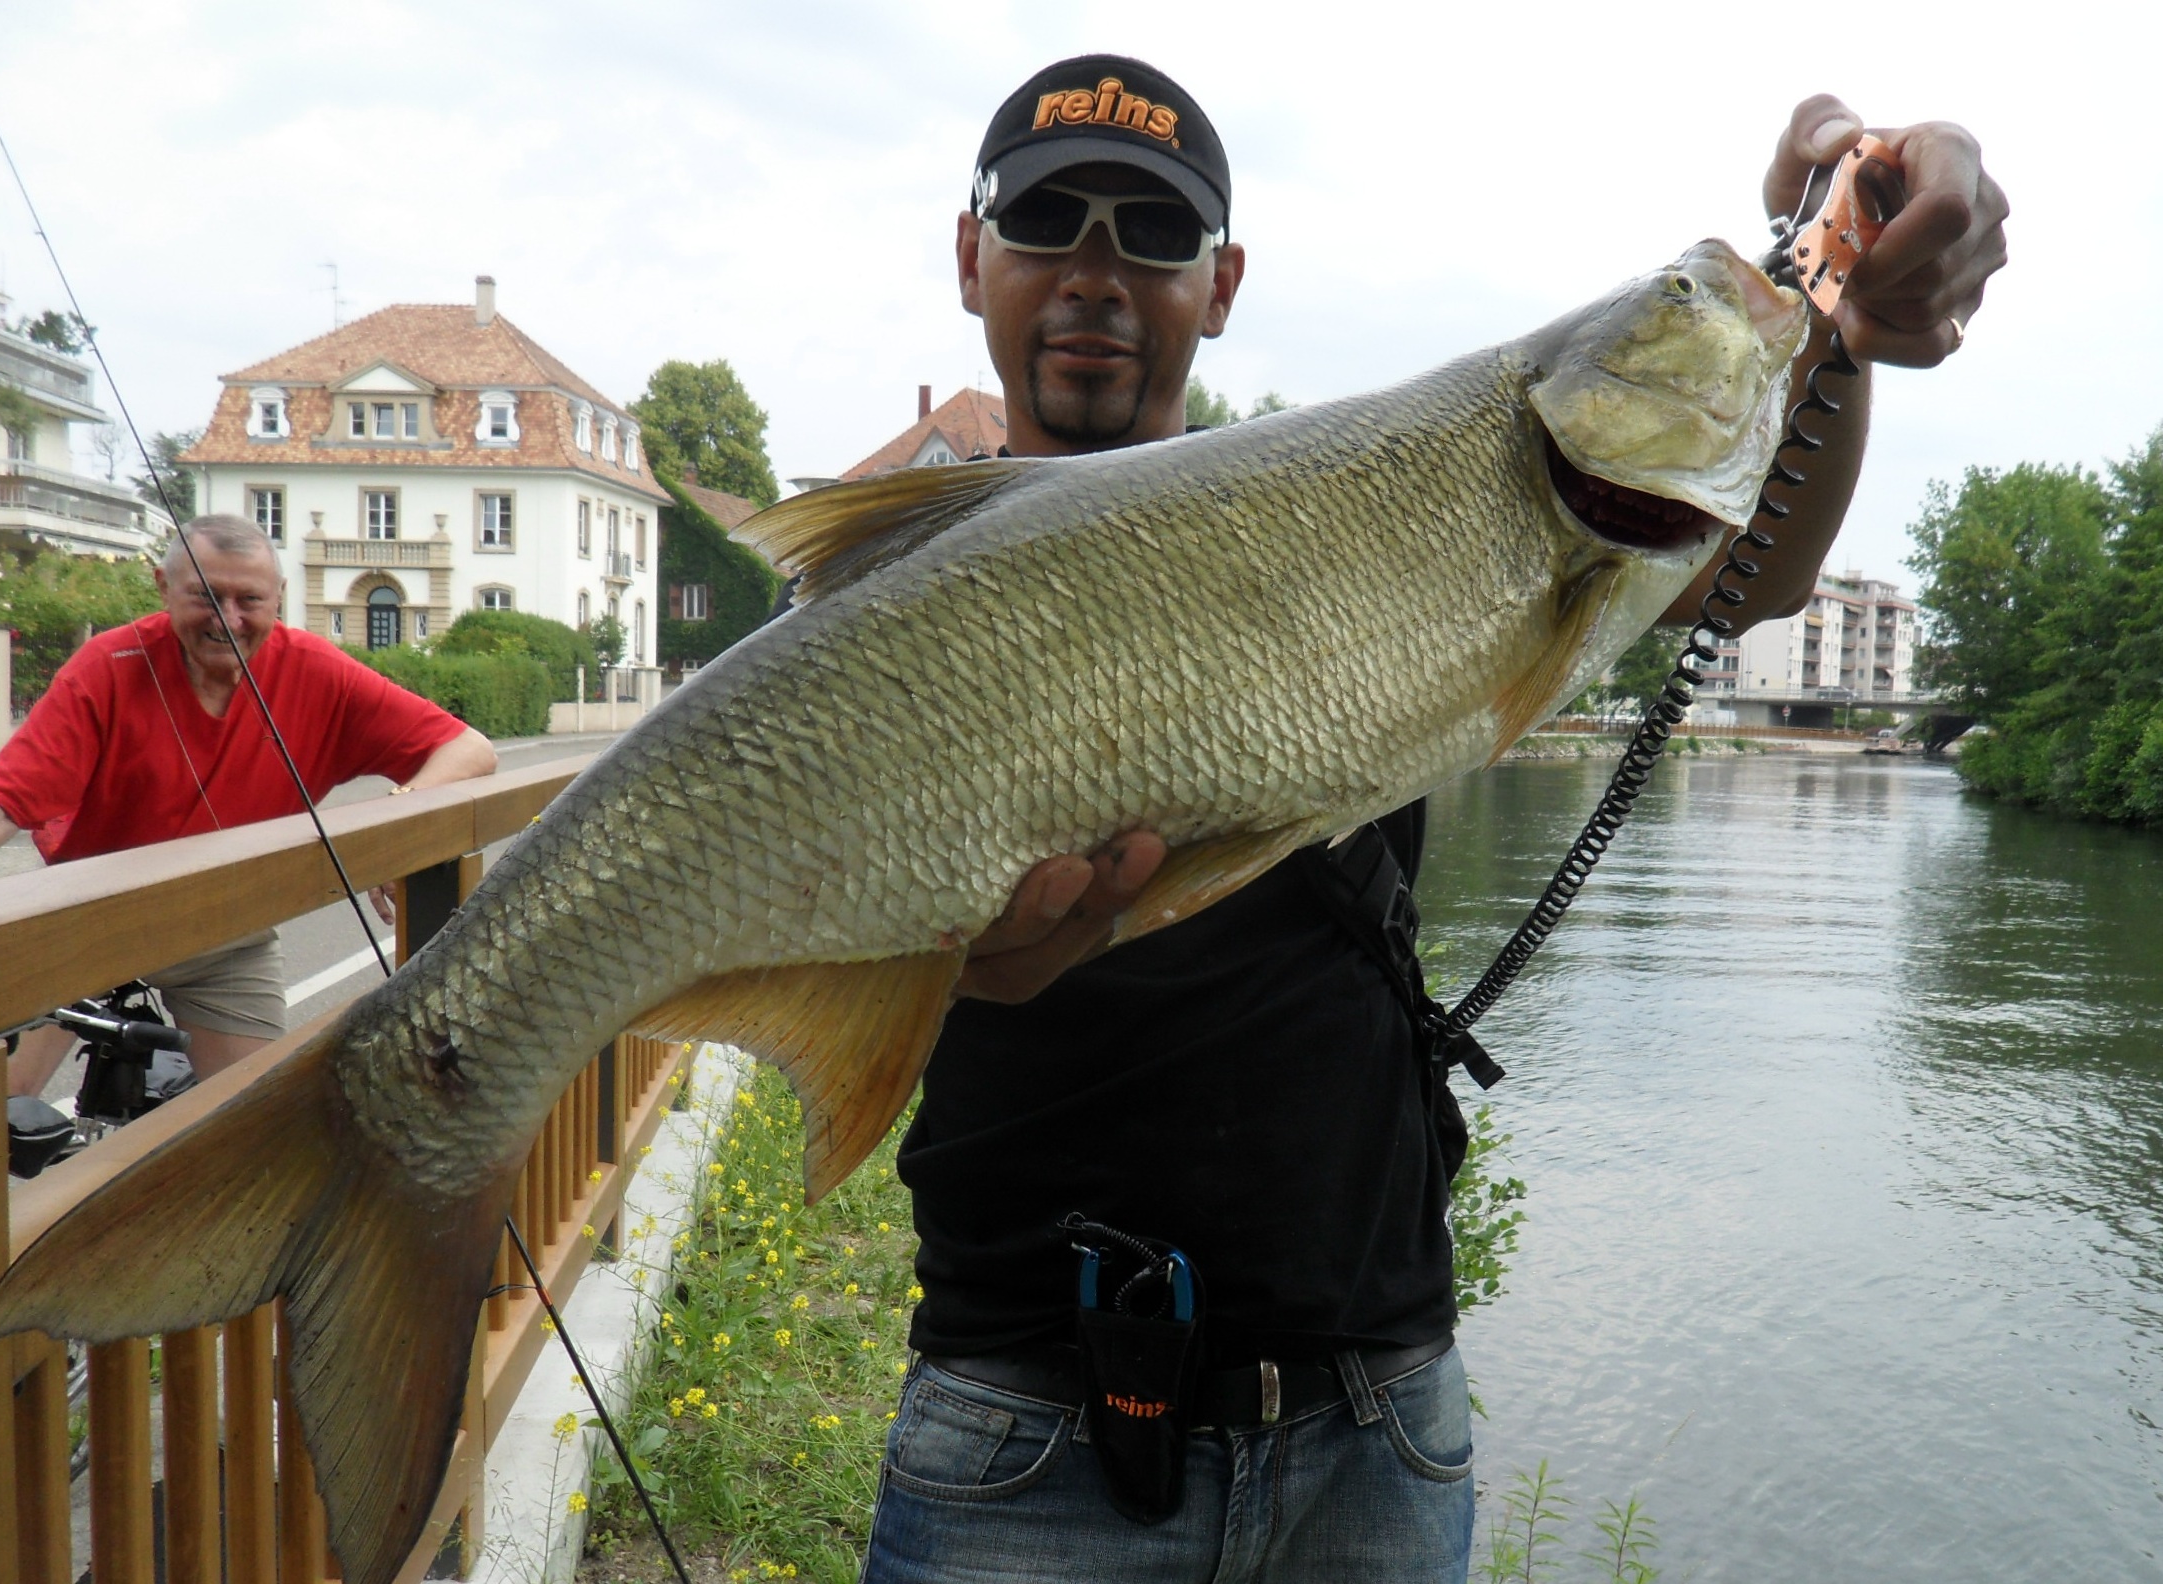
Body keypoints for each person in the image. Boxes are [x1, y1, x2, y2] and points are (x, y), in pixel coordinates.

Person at [861, 56, 2009, 1582]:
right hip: (1021, 1421)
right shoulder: (879, 597)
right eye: (1048, 220)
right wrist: (922, 964)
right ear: (967, 257)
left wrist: (1843, 302)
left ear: (1219, 285)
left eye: (1148, 234)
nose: (1093, 273)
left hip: (1371, 1417)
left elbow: (1752, 574)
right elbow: (811, 955)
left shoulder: (1388, 494)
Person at [0, 515, 499, 1096]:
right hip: (84, 919)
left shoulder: (317, 672)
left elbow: (467, 747)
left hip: (222, 931)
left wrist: (397, 823)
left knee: (251, 1121)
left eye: (249, 599)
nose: (228, 618)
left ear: (280, 597)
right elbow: (0, 804)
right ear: (163, 588)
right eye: (205, 596)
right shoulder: (109, 666)